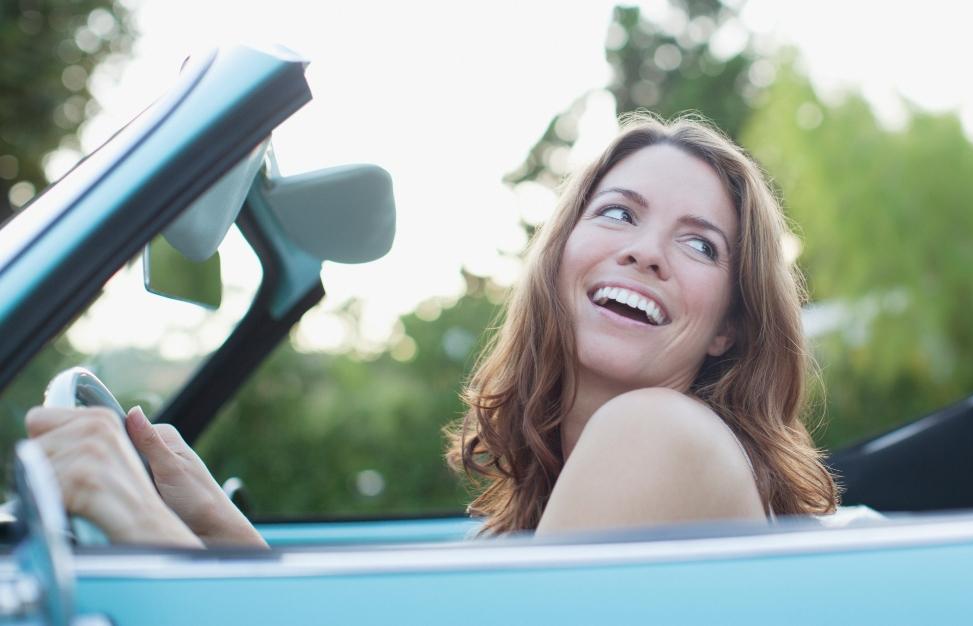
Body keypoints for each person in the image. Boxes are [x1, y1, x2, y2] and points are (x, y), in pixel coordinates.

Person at [24, 113, 838, 546]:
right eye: (618, 213)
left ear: (731, 326)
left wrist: (149, 536)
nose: (645, 252)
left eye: (699, 243)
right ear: (559, 260)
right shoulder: (575, 481)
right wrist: (210, 519)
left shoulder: (658, 432)